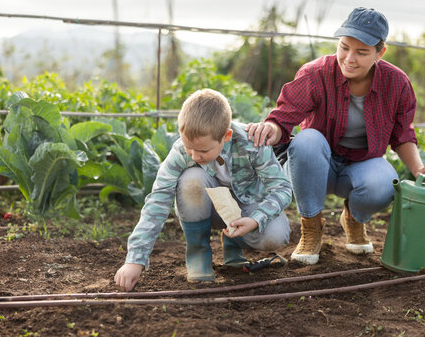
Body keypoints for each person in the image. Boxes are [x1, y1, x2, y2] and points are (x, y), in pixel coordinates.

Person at [246, 7, 425, 265]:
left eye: (362, 52)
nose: (349, 58)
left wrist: (419, 168)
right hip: (317, 168)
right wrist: (269, 128)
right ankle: (311, 227)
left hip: (361, 166)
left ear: (379, 53)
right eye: (344, 47)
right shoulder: (315, 74)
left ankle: (354, 218)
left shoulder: (396, 83)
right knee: (307, 141)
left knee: (384, 183)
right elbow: (283, 117)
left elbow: (403, 134)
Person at [115, 89, 292, 291]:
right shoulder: (181, 152)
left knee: (275, 236)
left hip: (247, 210)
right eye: (188, 147)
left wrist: (256, 219)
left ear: (226, 136)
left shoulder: (253, 144)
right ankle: (198, 254)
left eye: (203, 151)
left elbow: (283, 188)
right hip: (210, 210)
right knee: (192, 178)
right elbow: (157, 200)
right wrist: (135, 259)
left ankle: (233, 241)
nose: (193, 156)